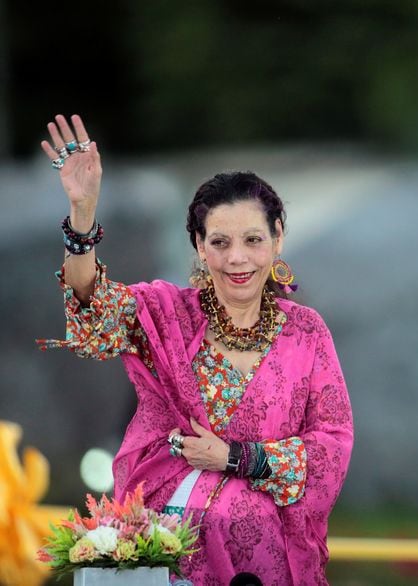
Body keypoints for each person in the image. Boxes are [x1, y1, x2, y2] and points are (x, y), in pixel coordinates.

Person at [39, 114, 354, 585]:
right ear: (200, 247)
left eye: (253, 240)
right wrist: (82, 214)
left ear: (278, 239)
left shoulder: (306, 333)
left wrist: (236, 458)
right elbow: (93, 314)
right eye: (220, 242)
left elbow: (332, 446)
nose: (237, 258)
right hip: (161, 545)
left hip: (266, 557)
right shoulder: (166, 314)